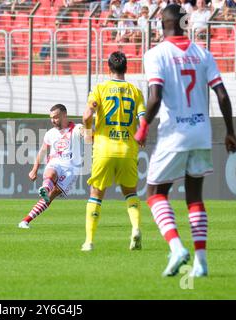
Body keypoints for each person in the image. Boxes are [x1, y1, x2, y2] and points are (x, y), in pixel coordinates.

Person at [134, 4, 236, 277]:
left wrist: (143, 126)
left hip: (174, 133)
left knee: (154, 193)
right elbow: (222, 94)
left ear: (161, 25)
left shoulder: (156, 54)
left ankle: (177, 247)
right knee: (194, 197)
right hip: (201, 131)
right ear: (185, 23)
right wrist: (230, 131)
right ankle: (201, 262)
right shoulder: (203, 53)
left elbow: (155, 97)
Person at [81, 51, 146, 252]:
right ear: (126, 68)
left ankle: (89, 241)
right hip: (127, 149)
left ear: (108, 68)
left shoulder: (99, 89)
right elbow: (143, 120)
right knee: (131, 192)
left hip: (104, 149)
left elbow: (86, 116)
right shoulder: (135, 91)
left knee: (96, 194)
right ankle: (135, 228)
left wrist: (89, 134)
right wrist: (143, 136)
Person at [18, 104, 84, 229]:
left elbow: (87, 134)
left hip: (71, 169)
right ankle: (45, 189)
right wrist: (34, 169)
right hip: (55, 162)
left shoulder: (77, 128)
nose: (53, 120)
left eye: (56, 117)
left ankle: (25, 221)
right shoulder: (50, 133)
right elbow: (42, 151)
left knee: (50, 197)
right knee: (51, 173)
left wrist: (86, 133)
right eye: (51, 118)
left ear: (64, 115)